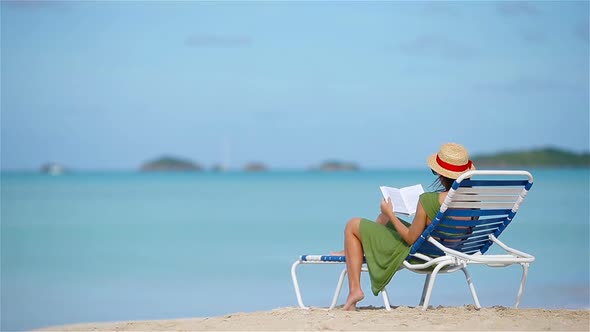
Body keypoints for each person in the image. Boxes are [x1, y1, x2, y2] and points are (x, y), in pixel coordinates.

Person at [336, 142, 476, 311]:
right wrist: (389, 216)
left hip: (423, 256)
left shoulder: (429, 200)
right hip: (446, 254)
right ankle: (354, 250)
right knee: (382, 218)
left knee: (352, 224)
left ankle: (355, 290)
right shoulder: (473, 202)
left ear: (441, 175)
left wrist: (391, 213)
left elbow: (410, 239)